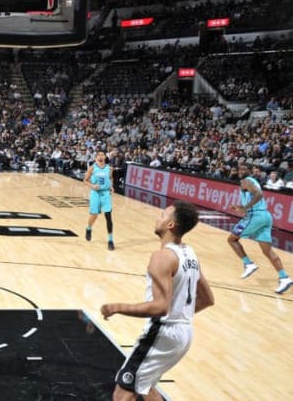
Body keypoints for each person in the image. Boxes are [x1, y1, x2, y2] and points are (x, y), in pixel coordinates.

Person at [100, 201, 215, 400]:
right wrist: (179, 314)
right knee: (147, 386)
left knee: (122, 393)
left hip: (163, 333)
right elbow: (207, 299)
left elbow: (160, 307)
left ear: (170, 225)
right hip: (184, 332)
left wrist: (116, 307)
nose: (157, 218)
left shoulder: (162, 257)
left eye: (162, 215)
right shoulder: (190, 254)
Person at [228, 163, 292, 294]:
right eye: (240, 168)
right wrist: (240, 206)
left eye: (244, 168)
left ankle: (248, 264)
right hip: (266, 216)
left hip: (255, 216)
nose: (241, 170)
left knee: (232, 239)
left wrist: (245, 208)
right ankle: (284, 277)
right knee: (267, 251)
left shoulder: (246, 181)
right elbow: (254, 197)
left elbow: (258, 195)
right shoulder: (252, 182)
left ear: (250, 171)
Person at [84, 149, 115, 250]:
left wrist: (111, 186)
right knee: (94, 215)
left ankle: (110, 240)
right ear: (96, 157)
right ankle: (89, 228)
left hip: (106, 193)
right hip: (95, 193)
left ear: (105, 157)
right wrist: (92, 186)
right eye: (99, 155)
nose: (101, 156)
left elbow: (111, 178)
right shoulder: (92, 168)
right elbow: (85, 180)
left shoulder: (109, 168)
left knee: (108, 217)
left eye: (103, 154)